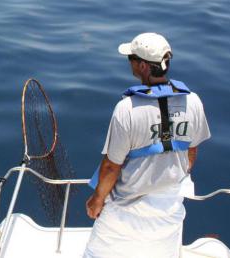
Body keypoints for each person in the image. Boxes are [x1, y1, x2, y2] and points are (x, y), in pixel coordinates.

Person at [82, 33, 211, 258]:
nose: (129, 63)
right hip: (169, 208)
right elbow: (192, 151)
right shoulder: (193, 102)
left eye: (131, 58)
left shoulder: (126, 109)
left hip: (125, 211)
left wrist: (97, 200)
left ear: (142, 65)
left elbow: (112, 167)